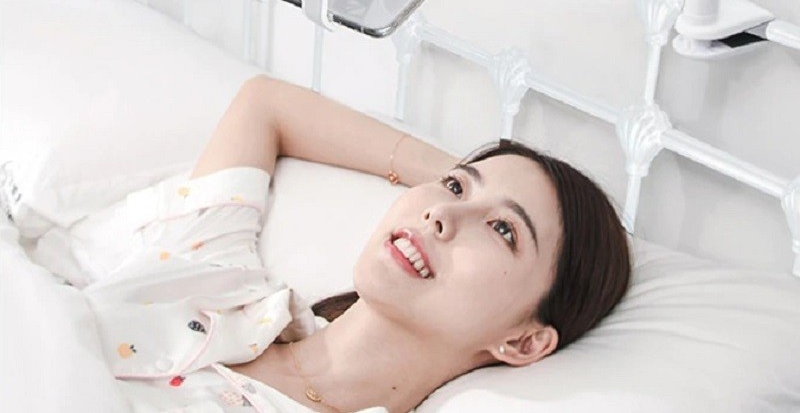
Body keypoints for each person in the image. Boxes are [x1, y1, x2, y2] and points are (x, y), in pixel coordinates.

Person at [86, 75, 631, 413]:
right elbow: (265, 103)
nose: (442, 214)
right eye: (454, 188)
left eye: (503, 229)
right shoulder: (218, 269)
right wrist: (458, 169)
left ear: (525, 343)